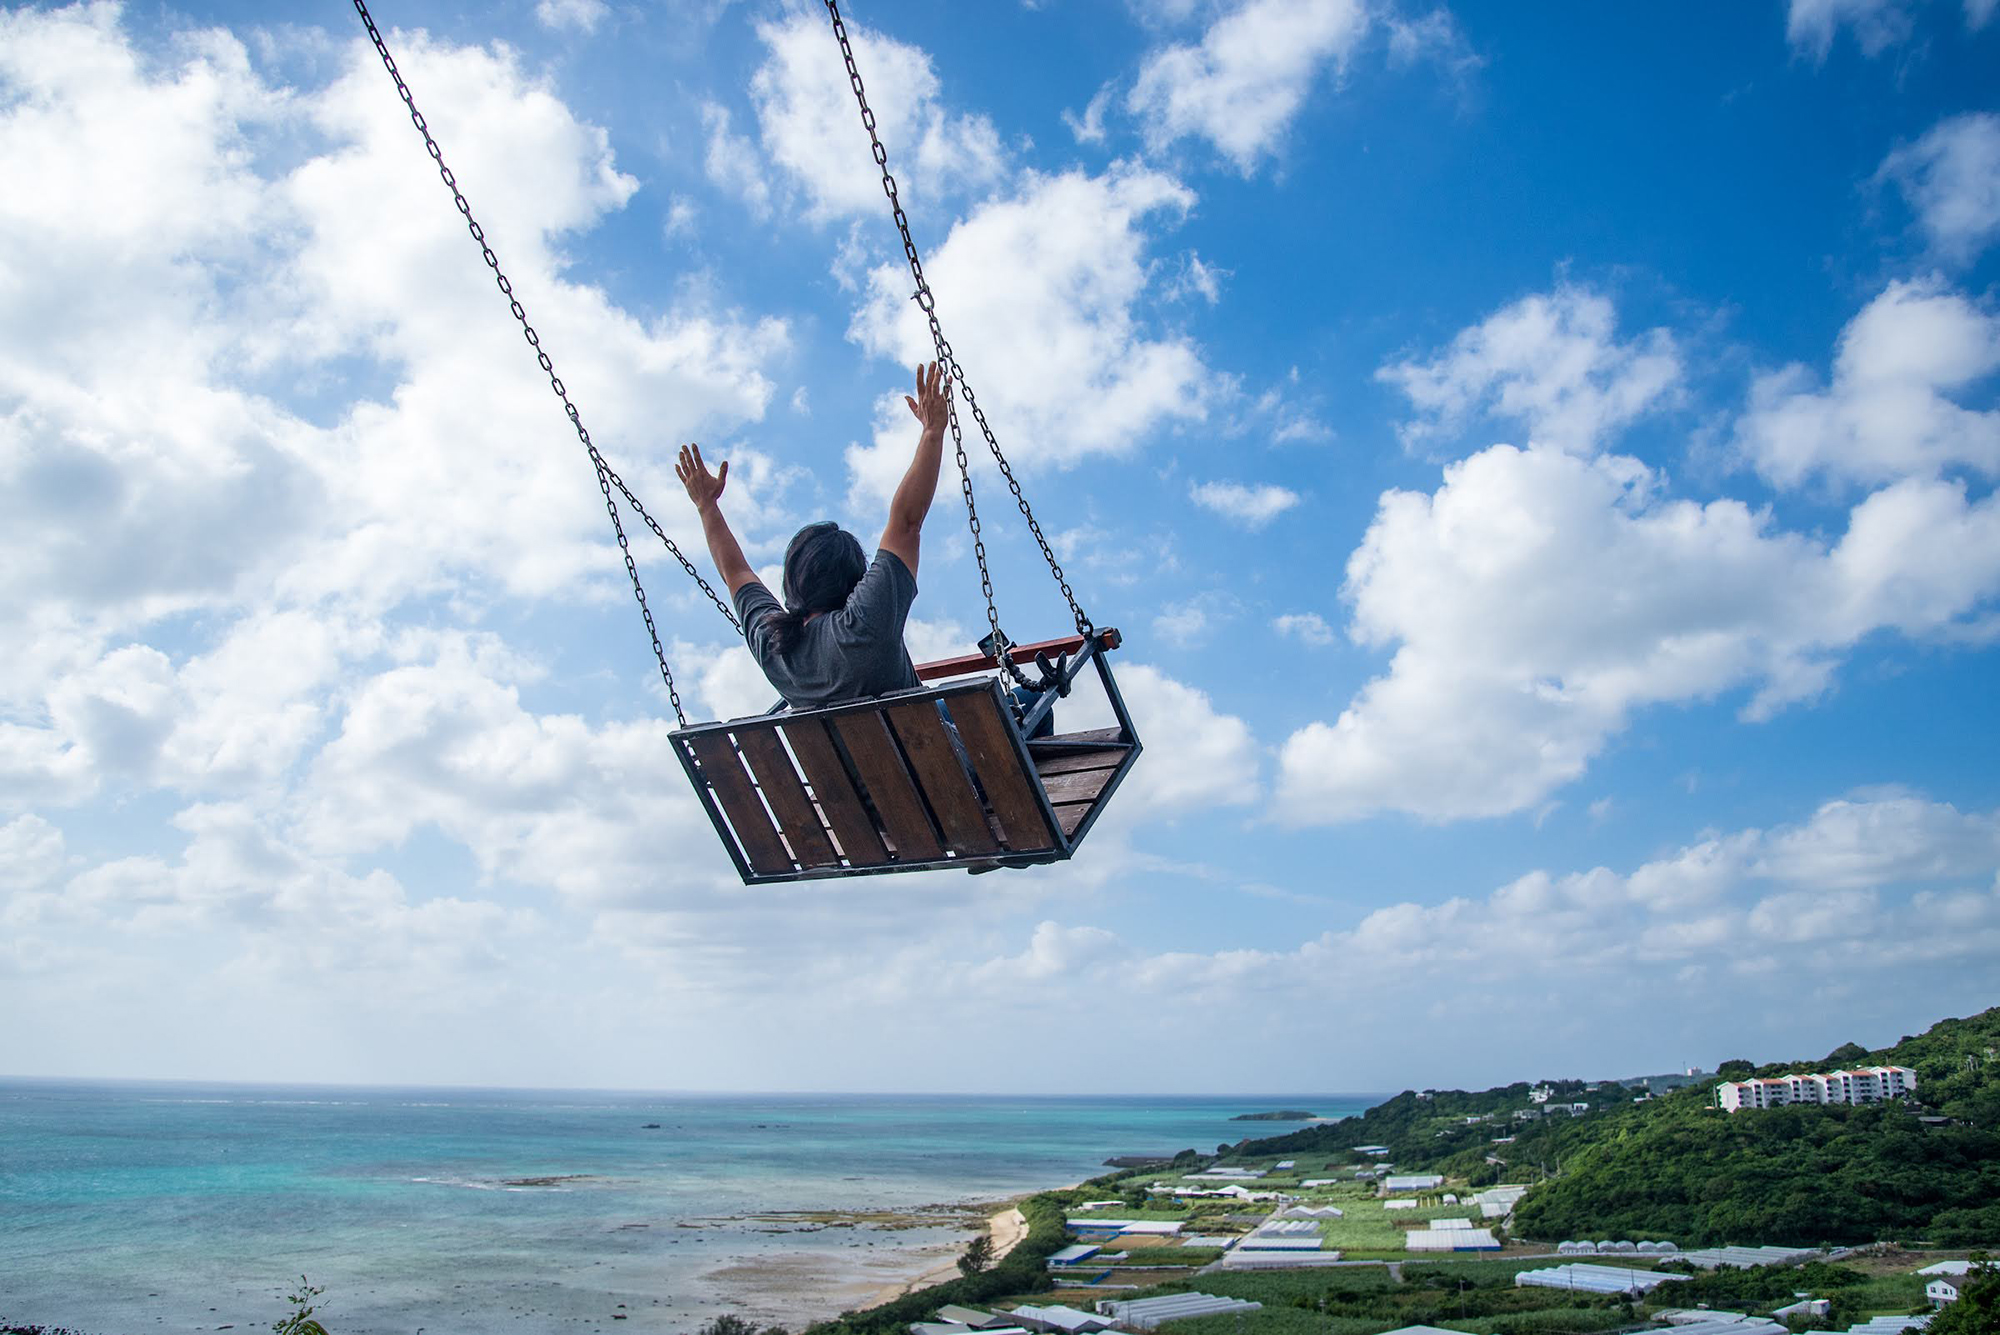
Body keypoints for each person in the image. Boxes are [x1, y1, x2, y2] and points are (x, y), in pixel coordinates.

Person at [676, 361, 949, 712]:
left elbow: (736, 574)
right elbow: (906, 524)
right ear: (858, 584)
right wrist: (932, 432)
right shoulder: (863, 625)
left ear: (792, 582)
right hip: (934, 760)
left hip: (852, 766)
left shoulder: (775, 647)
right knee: (1026, 698)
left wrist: (706, 506)